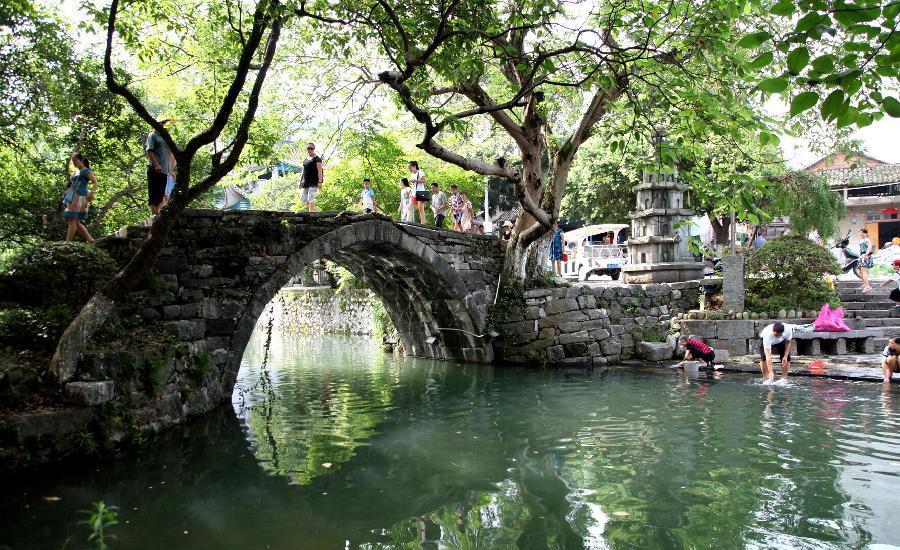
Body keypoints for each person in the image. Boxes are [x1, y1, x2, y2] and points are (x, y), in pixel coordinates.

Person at [63, 153, 98, 243]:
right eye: (72, 161)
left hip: (80, 197)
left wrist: (92, 193)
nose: (74, 162)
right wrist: (68, 191)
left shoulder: (86, 171)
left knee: (72, 220)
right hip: (73, 197)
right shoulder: (77, 171)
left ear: (81, 160)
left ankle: (67, 243)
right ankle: (90, 240)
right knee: (76, 222)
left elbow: (95, 182)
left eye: (75, 160)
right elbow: (75, 184)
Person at [145, 120, 175, 215]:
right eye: (164, 123)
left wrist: (171, 169)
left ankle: (157, 214)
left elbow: (170, 154)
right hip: (155, 169)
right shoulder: (152, 135)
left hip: (165, 171)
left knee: (161, 194)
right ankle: (154, 215)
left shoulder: (166, 138)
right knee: (154, 194)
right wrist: (156, 165)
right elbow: (149, 151)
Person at [301, 143, 323, 212]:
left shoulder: (317, 159)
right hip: (305, 182)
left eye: (311, 148)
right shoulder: (305, 159)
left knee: (311, 199)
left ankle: (311, 215)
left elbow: (320, 171)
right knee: (303, 199)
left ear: (314, 149)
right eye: (308, 148)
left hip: (313, 182)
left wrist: (320, 182)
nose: (310, 150)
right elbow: (303, 170)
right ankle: (316, 213)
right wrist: (300, 181)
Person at [859, 228, 874, 293]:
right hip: (862, 256)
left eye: (862, 232)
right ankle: (865, 284)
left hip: (866, 256)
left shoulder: (867, 239)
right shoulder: (861, 240)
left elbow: (870, 247)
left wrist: (866, 255)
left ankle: (867, 286)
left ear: (866, 233)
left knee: (864, 271)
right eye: (860, 232)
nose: (861, 233)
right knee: (860, 271)